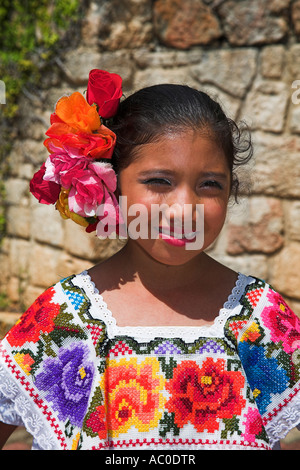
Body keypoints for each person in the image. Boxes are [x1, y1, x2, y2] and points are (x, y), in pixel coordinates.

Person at [0, 69, 299, 451]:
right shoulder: (63, 319)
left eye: (210, 184)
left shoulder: (259, 317)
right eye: (159, 181)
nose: (184, 208)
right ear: (110, 183)